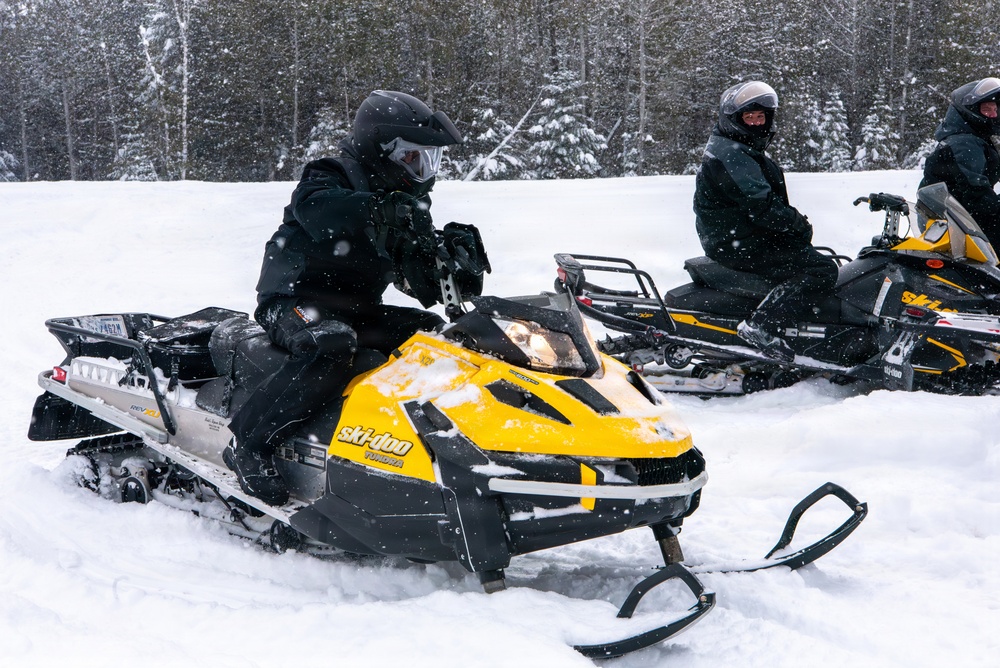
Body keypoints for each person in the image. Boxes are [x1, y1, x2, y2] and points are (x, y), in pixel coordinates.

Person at [224, 90, 464, 505]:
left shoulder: (404, 206)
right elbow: (314, 207)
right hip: (292, 302)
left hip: (357, 310)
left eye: (429, 159)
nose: (422, 170)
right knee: (329, 344)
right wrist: (375, 209)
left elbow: (420, 286)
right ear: (380, 147)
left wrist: (454, 261)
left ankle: (423, 446)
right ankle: (249, 444)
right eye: (412, 158)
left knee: (435, 336)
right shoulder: (331, 174)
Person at [692, 81, 838, 362]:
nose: (757, 124)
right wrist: (799, 225)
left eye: (761, 117)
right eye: (750, 117)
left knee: (809, 258)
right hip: (737, 240)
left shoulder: (735, 146)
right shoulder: (733, 154)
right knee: (822, 269)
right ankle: (762, 325)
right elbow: (763, 207)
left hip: (739, 234)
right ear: (735, 120)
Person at [920, 77, 1000, 245]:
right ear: (970, 111)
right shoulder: (963, 143)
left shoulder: (969, 140)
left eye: (995, 109)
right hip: (960, 230)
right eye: (987, 109)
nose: (994, 114)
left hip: (957, 224)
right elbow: (975, 193)